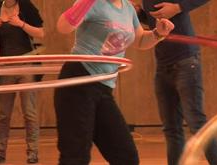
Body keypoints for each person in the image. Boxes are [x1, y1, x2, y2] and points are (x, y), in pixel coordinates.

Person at [55, 0, 174, 164]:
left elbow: (139, 40)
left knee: (126, 157)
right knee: (76, 156)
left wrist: (157, 34)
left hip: (104, 88)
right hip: (78, 81)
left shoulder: (127, 8)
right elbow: (63, 27)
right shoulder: (93, 2)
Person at [136, 1, 217, 165]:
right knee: (171, 128)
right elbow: (154, 21)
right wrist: (140, 13)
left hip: (186, 60)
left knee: (196, 122)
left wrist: (178, 7)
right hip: (163, 63)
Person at [0, 0, 44, 164]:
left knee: (29, 112)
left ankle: (33, 152)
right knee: (2, 114)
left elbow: (40, 33)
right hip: (4, 67)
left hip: (27, 66)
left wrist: (20, 24)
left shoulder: (26, 5)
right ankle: (0, 153)